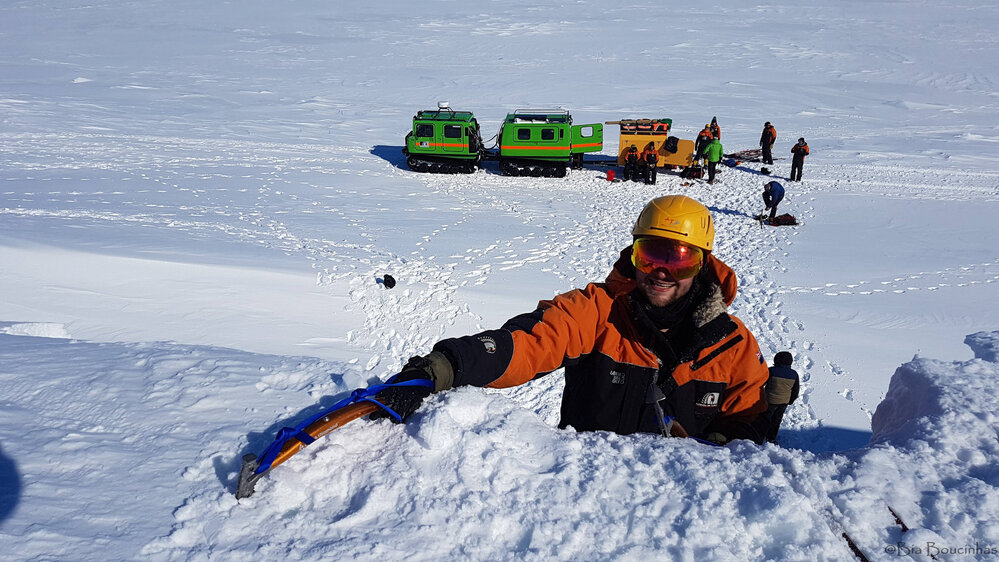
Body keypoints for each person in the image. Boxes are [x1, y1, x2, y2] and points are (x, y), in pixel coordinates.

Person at [370, 195, 771, 446]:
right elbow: (526, 343)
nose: (660, 271)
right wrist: (443, 367)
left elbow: (749, 423)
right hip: (580, 500)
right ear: (633, 256)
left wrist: (716, 449)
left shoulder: (731, 345)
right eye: (649, 255)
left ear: (702, 265)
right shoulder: (597, 311)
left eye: (679, 259)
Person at [765, 351, 799, 444]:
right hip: (783, 402)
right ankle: (772, 438)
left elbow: (761, 383)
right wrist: (790, 401)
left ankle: (760, 435)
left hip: (769, 400)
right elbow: (795, 390)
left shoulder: (771, 370)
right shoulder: (794, 374)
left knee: (765, 418)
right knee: (776, 420)